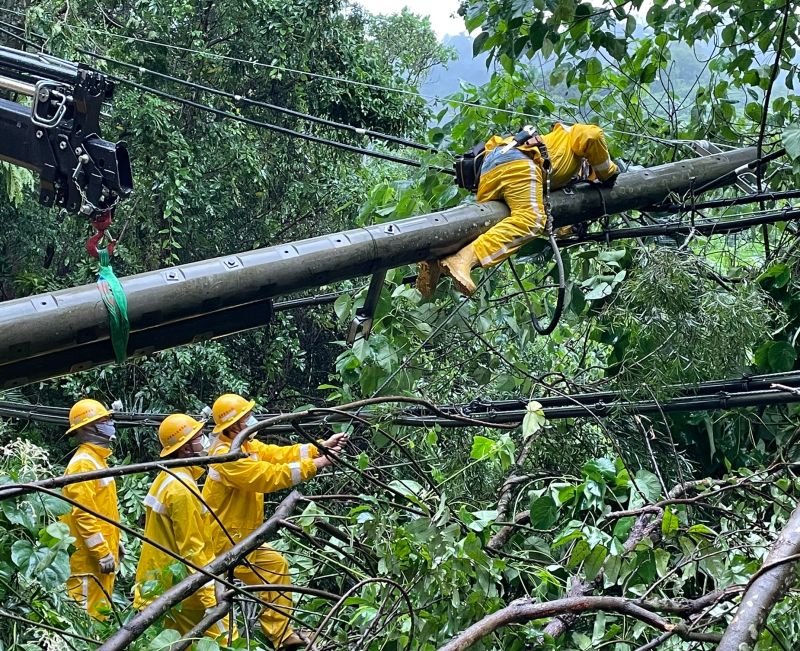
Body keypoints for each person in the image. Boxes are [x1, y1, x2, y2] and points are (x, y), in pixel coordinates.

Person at [202, 393, 347, 650]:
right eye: (246, 417)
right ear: (234, 425)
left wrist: (319, 446)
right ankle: (235, 641)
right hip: (225, 541)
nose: (251, 420)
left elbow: (278, 455)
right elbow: (266, 476)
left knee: (276, 567)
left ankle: (282, 637)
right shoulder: (225, 456)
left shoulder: (246, 446)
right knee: (219, 600)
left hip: (244, 536)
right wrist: (318, 464)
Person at [418, 122, 619, 297]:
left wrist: (568, 230)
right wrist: (607, 171)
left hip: (491, 168)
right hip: (521, 161)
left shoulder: (555, 157)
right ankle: (463, 260)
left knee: (487, 226)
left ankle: (435, 260)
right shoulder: (571, 134)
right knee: (532, 220)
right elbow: (593, 135)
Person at [134, 413, 233, 640]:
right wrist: (211, 597)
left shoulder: (168, 477)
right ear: (187, 449)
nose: (206, 441)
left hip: (160, 587)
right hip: (181, 592)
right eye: (200, 437)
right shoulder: (182, 488)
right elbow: (193, 549)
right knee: (226, 640)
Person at [61, 398, 121, 620]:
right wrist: (101, 551)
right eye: (103, 420)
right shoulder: (83, 463)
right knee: (85, 619)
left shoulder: (97, 460)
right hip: (87, 561)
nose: (109, 423)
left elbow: (104, 510)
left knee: (100, 616)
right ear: (87, 428)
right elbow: (83, 513)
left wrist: (116, 543)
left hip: (99, 558)